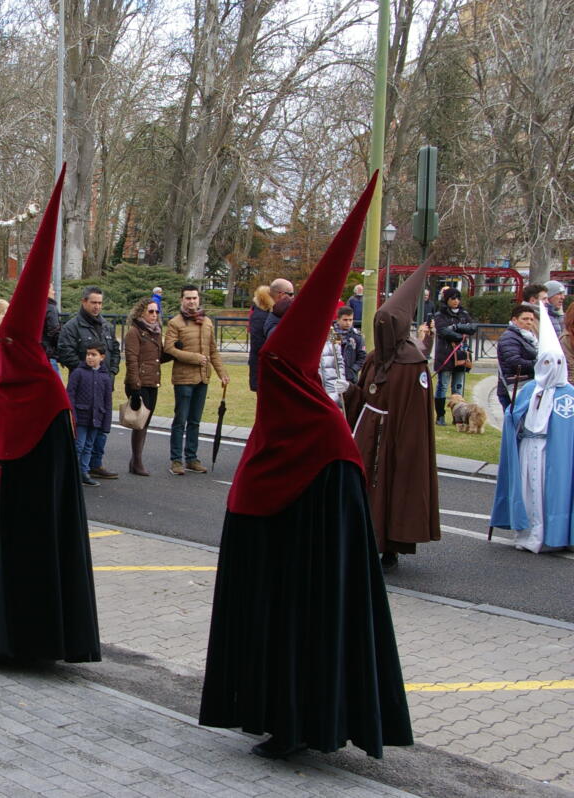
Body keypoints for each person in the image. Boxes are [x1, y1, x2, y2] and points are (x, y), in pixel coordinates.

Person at [200, 175, 411, 760]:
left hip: (307, 583)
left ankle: (303, 722)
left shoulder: (323, 438)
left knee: (307, 623)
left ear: (291, 376)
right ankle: (281, 715)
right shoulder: (288, 426)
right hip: (284, 574)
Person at [0, 168, 99, 665]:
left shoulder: (36, 393)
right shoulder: (33, 390)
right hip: (15, 508)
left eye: (4, 341)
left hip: (8, 509)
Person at [346, 261, 442, 572]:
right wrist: (346, 391)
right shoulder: (375, 358)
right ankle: (359, 541)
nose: (382, 332)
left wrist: (402, 445)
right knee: (360, 488)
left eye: (388, 326)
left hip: (395, 439)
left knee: (392, 490)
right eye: (379, 326)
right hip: (366, 435)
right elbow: (365, 394)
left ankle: (390, 547)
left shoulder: (413, 364)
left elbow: (415, 415)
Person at [490, 306, 574, 553]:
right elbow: (514, 416)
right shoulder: (530, 390)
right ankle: (528, 533)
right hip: (529, 447)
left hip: (555, 452)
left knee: (552, 493)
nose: (552, 367)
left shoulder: (568, 394)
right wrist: (512, 417)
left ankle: (553, 535)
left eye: (556, 362)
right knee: (529, 491)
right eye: (546, 362)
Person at [163, 285, 228, 475]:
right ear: (182, 300)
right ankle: (176, 460)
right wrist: (194, 358)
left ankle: (192, 458)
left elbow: (213, 350)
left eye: (194, 298)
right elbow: (169, 349)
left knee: (195, 421)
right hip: (183, 378)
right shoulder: (175, 323)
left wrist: (222, 373)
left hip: (203, 378)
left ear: (198, 299)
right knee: (180, 420)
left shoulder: (206, 321)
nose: (191, 301)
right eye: (188, 298)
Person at [57, 285, 120, 479]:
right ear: (84, 302)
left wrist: (111, 372)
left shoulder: (106, 326)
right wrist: (85, 372)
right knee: (82, 431)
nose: (97, 306)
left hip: (103, 385)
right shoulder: (72, 327)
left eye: (100, 303)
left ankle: (95, 464)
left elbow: (115, 351)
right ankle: (78, 469)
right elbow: (64, 352)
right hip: (82, 388)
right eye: (93, 302)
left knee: (100, 428)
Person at [123, 296, 164, 475]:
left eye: (156, 312)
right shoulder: (134, 332)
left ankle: (135, 460)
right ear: (141, 313)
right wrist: (135, 385)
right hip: (138, 382)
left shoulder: (156, 331)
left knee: (145, 422)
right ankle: (137, 461)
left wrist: (175, 351)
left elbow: (158, 357)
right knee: (139, 422)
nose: (154, 315)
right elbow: (131, 359)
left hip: (152, 382)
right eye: (151, 311)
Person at [67, 345, 113, 487]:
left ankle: (84, 472)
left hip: (97, 417)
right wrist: (72, 414)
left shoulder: (105, 377)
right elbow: (70, 394)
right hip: (80, 417)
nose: (89, 357)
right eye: (88, 354)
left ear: (102, 357)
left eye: (93, 355)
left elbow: (108, 402)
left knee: (88, 446)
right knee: (79, 445)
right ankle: (72, 473)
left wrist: (106, 423)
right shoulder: (78, 373)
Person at [432, 287, 476, 425]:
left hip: (461, 354)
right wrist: (460, 334)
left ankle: (458, 417)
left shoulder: (464, 313)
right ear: (447, 299)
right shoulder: (440, 315)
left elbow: (472, 328)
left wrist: (456, 327)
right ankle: (440, 415)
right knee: (443, 386)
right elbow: (443, 331)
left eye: (458, 298)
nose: (456, 301)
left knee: (458, 386)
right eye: (453, 298)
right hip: (445, 354)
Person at [496, 304, 538, 410]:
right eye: (525, 319)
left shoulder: (528, 337)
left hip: (524, 385)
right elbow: (514, 362)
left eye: (531, 319)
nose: (529, 322)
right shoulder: (509, 337)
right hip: (514, 387)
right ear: (514, 320)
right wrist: (539, 363)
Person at [246, 285, 273, 392]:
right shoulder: (261, 316)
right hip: (262, 361)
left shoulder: (258, 313)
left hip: (259, 361)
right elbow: (259, 342)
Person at [334, 306, 366, 383]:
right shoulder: (330, 335)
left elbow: (362, 357)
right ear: (338, 319)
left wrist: (353, 369)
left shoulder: (357, 336)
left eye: (350, 320)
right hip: (332, 375)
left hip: (350, 378)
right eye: (345, 320)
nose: (348, 323)